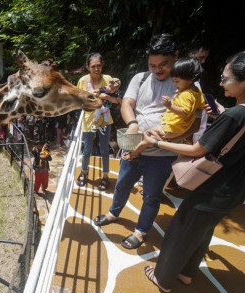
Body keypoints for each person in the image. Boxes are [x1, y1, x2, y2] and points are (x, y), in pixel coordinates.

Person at [140, 49, 245, 293]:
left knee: (181, 232)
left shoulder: (237, 114)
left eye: (226, 79)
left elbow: (198, 149)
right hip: (232, 189)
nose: (221, 83)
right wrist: (221, 114)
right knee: (202, 232)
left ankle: (163, 279)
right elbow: (240, 135)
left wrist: (154, 143)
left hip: (210, 186)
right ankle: (186, 274)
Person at [93, 33, 180, 249]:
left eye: (164, 64)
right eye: (153, 65)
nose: (157, 70)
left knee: (151, 196)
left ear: (176, 57)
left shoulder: (185, 84)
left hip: (161, 154)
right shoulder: (140, 78)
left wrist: (149, 139)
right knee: (122, 184)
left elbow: (185, 122)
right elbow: (126, 104)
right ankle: (114, 213)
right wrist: (132, 123)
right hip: (132, 148)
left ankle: (140, 232)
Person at [130, 57, 205, 157]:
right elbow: (200, 106)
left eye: (177, 81)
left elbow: (185, 112)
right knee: (148, 134)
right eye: (173, 81)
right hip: (176, 128)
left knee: (148, 137)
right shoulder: (197, 91)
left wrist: (170, 106)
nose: (174, 85)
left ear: (190, 79)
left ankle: (134, 154)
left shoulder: (187, 94)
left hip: (172, 128)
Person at [76, 53, 121, 191]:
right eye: (93, 66)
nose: (96, 69)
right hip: (89, 120)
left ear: (102, 65)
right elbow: (80, 101)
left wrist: (103, 96)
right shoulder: (83, 81)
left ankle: (105, 176)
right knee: (87, 149)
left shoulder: (108, 79)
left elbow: (117, 99)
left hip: (105, 121)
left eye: (99, 65)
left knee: (104, 150)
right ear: (88, 67)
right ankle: (84, 172)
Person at [188, 40, 212, 144]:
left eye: (205, 58)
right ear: (191, 54)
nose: (203, 61)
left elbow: (206, 93)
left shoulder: (202, 73)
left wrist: (214, 109)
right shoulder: (178, 70)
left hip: (198, 111)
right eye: (201, 57)